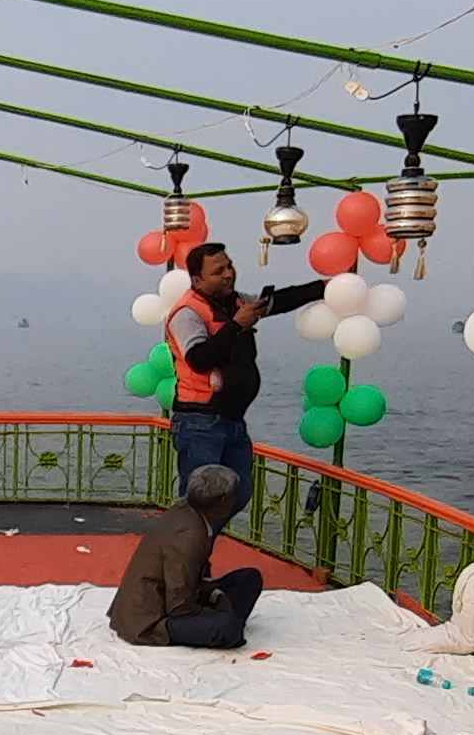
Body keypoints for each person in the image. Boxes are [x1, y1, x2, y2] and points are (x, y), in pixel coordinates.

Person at [163, 241, 327, 491]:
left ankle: (204, 531)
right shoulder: (188, 313)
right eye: (218, 272)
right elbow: (198, 359)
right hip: (200, 419)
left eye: (229, 267)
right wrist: (237, 326)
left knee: (239, 491)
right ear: (197, 281)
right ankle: (185, 531)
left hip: (233, 417)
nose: (228, 274)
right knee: (200, 497)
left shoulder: (236, 302)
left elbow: (276, 301)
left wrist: (324, 288)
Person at [107, 463, 266, 647]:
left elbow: (191, 582)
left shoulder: (186, 512)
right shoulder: (189, 537)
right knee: (227, 627)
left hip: (173, 596)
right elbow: (179, 606)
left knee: (249, 579)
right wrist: (215, 611)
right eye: (233, 496)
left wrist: (215, 595)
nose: (236, 501)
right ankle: (225, 627)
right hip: (151, 621)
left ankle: (223, 623)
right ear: (221, 501)